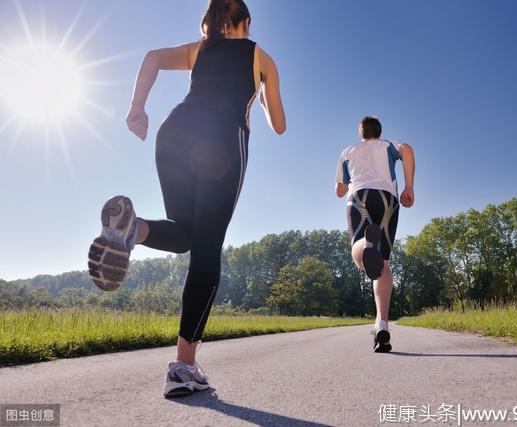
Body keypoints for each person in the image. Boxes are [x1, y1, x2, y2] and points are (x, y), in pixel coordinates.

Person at [87, 0, 286, 398]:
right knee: (207, 251)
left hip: (174, 131)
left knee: (184, 236)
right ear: (246, 22)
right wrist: (262, 90)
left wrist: (137, 108)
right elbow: (278, 125)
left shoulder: (199, 49)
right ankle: (184, 366)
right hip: (222, 144)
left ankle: (134, 230)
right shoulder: (260, 56)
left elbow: (152, 58)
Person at [335, 116, 415, 353]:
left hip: (359, 197)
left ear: (361, 132)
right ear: (379, 133)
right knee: (384, 266)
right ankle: (382, 326)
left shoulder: (348, 151)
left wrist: (344, 179)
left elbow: (340, 191)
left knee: (358, 256)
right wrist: (409, 187)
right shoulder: (389, 145)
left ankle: (365, 243)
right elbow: (408, 150)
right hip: (388, 200)